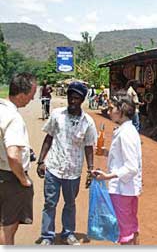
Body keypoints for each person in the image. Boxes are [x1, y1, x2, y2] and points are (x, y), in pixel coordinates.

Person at [36, 81, 97, 245]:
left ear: (82, 100)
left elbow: (89, 147)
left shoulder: (88, 122)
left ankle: (68, 233)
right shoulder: (57, 115)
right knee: (50, 203)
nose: (72, 101)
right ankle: (47, 236)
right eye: (70, 97)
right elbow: (48, 137)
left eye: (76, 98)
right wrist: (41, 161)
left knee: (70, 204)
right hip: (54, 168)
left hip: (73, 171)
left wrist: (90, 170)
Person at [91, 91, 142, 245]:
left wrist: (107, 176)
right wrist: (107, 152)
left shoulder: (125, 133)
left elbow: (131, 166)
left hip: (122, 190)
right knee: (131, 227)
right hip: (128, 189)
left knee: (124, 232)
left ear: (121, 110)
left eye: (112, 108)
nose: (108, 111)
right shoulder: (127, 130)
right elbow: (124, 159)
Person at [0, 73, 37, 245]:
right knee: (7, 227)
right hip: (10, 178)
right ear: (22, 95)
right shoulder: (13, 118)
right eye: (31, 95)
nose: (32, 99)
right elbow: (13, 155)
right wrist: (23, 179)